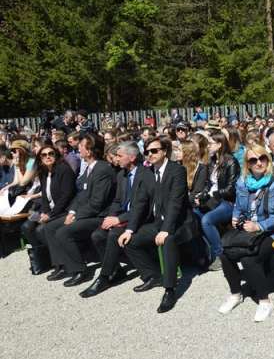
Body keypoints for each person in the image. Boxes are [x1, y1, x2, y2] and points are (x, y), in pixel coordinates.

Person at [118, 136, 198, 313]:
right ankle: (152, 276)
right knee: (128, 240)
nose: (150, 154)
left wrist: (166, 230)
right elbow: (140, 203)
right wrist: (130, 229)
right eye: (147, 152)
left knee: (168, 240)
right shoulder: (147, 173)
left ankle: (169, 290)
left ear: (164, 151)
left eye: (154, 151)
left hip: (179, 222)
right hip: (158, 222)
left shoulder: (177, 170)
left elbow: (175, 203)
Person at [217, 145, 274, 322]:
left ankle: (264, 300)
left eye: (262, 158)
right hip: (248, 229)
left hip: (271, 231)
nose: (259, 163)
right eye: (253, 160)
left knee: (249, 258)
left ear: (268, 159)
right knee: (225, 253)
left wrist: (259, 226)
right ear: (247, 164)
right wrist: (235, 217)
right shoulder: (242, 183)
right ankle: (236, 293)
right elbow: (238, 207)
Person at [81, 141, 155, 298]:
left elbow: (143, 209)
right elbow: (117, 201)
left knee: (115, 234)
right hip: (124, 217)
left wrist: (119, 219)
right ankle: (116, 270)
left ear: (132, 157)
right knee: (98, 234)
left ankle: (104, 277)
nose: (116, 159)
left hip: (142, 219)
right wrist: (112, 216)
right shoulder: (122, 175)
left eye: (120, 156)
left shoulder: (146, 175)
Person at [45, 133, 116, 287]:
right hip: (86, 213)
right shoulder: (89, 169)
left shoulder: (102, 170)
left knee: (63, 232)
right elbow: (80, 196)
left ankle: (79, 270)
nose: (78, 149)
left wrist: (77, 216)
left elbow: (97, 203)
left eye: (81, 146)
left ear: (89, 150)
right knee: (50, 227)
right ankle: (62, 265)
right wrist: (72, 212)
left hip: (100, 215)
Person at [21, 145, 76, 275]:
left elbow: (66, 196)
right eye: (44, 155)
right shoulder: (44, 172)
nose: (48, 157)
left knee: (42, 229)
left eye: (51, 154)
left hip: (65, 210)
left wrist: (49, 215)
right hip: (51, 210)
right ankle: (44, 259)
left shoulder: (64, 170)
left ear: (56, 155)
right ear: (40, 159)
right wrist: (45, 212)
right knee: (27, 225)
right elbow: (45, 197)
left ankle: (61, 263)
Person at [196, 132, 240, 271]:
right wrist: (202, 195)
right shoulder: (212, 161)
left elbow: (231, 189)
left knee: (206, 220)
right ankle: (206, 252)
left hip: (228, 202)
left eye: (210, 143)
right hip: (214, 200)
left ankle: (220, 256)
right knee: (194, 214)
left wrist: (212, 194)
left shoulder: (231, 161)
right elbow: (208, 184)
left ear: (219, 144)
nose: (208, 146)